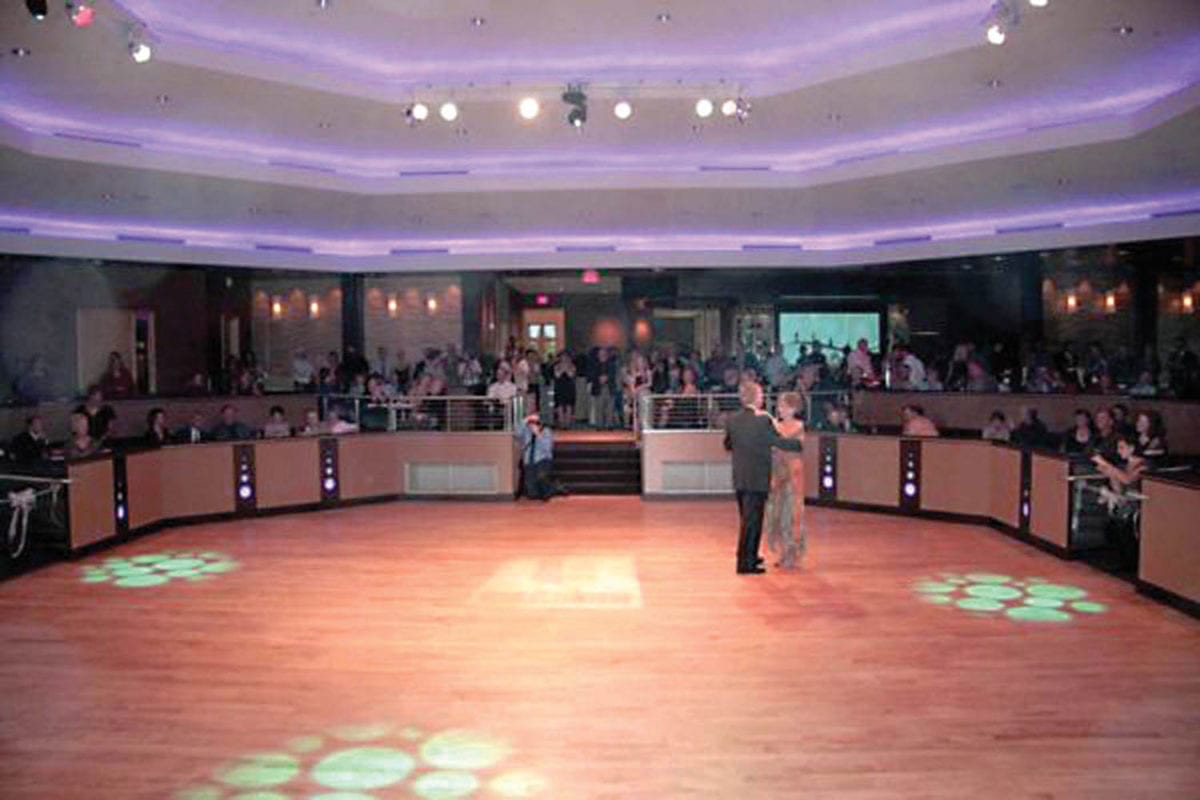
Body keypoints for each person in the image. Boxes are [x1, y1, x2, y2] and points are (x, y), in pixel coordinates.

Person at [723, 382, 803, 575]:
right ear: (756, 397)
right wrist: (799, 444)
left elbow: (728, 445)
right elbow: (776, 441)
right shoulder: (763, 420)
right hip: (757, 477)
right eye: (760, 394)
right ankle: (745, 563)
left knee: (746, 519)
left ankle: (750, 555)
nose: (763, 398)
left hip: (740, 476)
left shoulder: (732, 419)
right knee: (753, 522)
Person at [764, 392, 806, 570]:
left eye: (784, 406)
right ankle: (783, 551)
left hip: (793, 474)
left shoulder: (798, 426)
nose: (780, 409)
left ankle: (791, 553)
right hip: (777, 473)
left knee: (791, 513)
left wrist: (775, 442)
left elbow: (796, 446)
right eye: (779, 405)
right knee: (776, 513)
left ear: (793, 408)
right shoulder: (775, 425)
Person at [517, 413, 560, 501]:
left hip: (543, 460)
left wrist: (538, 435)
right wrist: (525, 420)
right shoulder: (526, 431)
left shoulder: (546, 432)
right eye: (531, 422)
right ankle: (552, 488)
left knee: (541, 476)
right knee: (532, 494)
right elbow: (517, 433)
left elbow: (547, 449)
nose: (533, 425)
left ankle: (552, 488)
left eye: (536, 422)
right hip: (529, 462)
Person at [552, 352, 577, 429]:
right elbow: (557, 375)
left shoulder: (572, 365)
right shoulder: (556, 366)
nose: (564, 358)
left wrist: (567, 368)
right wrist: (562, 369)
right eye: (562, 357)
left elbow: (571, 375)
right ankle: (561, 422)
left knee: (569, 405)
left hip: (569, 387)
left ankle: (568, 423)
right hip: (559, 387)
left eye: (566, 357)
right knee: (560, 405)